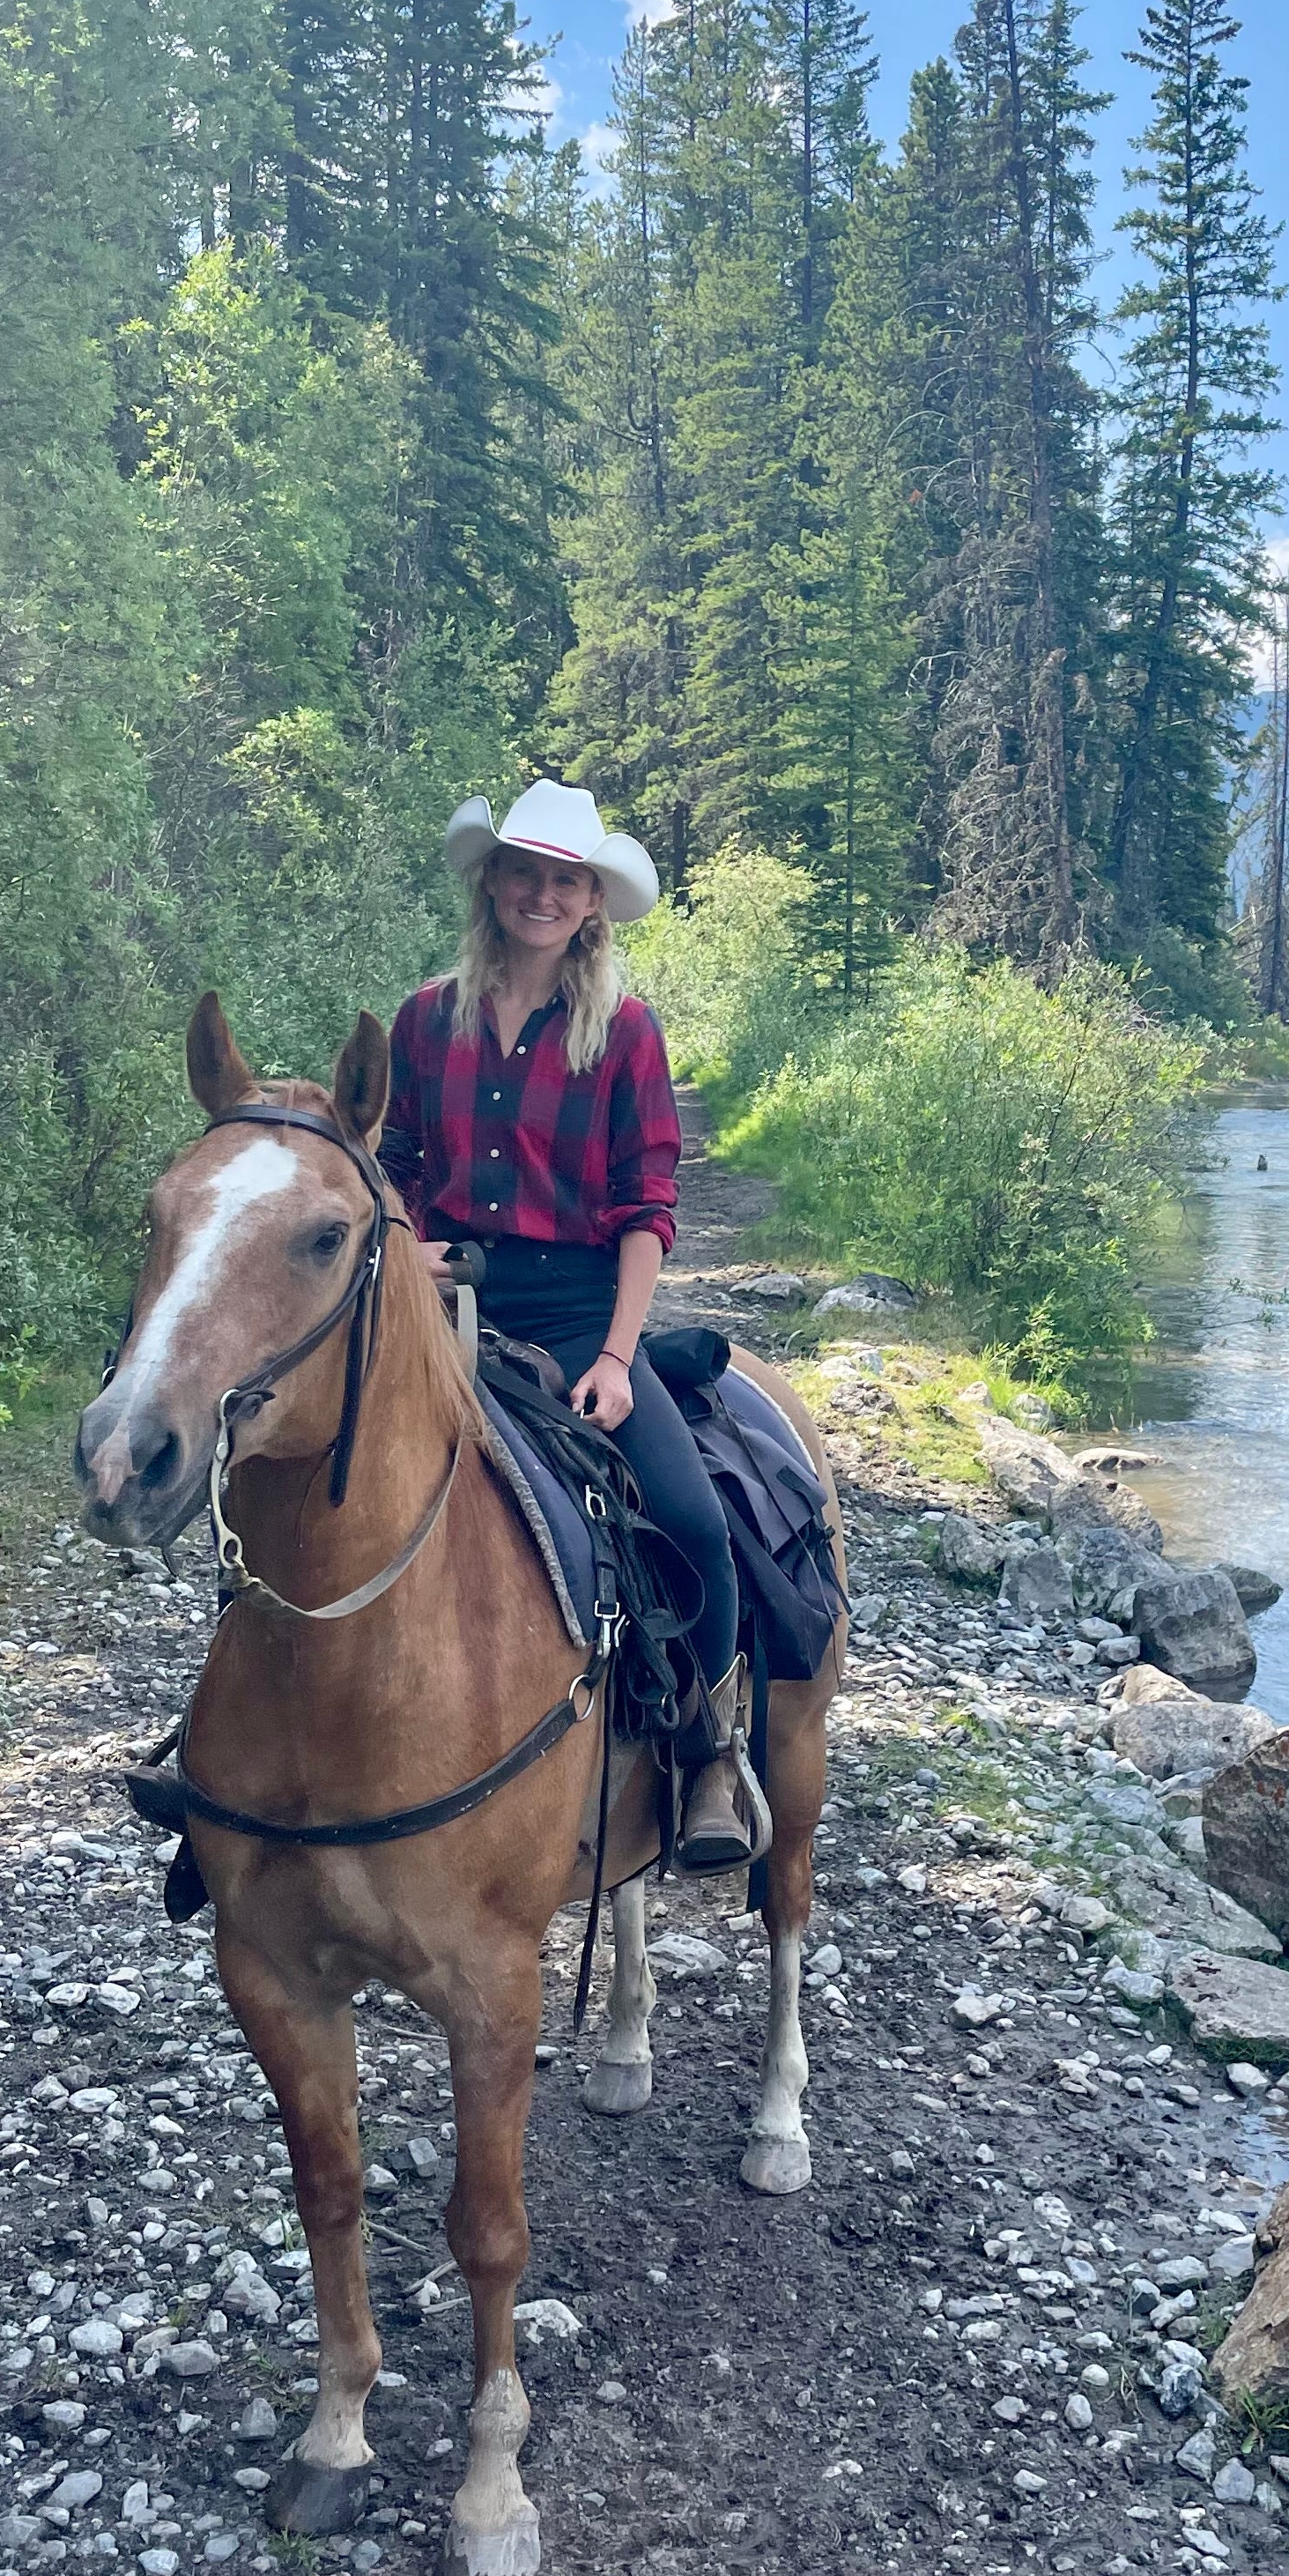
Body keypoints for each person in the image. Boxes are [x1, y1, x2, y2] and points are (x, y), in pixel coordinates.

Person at [376, 779, 756, 1871]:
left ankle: (705, 1748)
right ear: (491, 882)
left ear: (591, 903)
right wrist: (409, 1250)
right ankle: (242, 1749)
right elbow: (394, 1165)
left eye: (565, 880)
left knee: (690, 1523)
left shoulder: (625, 1033)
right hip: (446, 1298)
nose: (543, 895)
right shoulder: (423, 1017)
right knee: (309, 1467)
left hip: (586, 1306)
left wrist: (620, 1360)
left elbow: (648, 1206)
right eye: (525, 872)